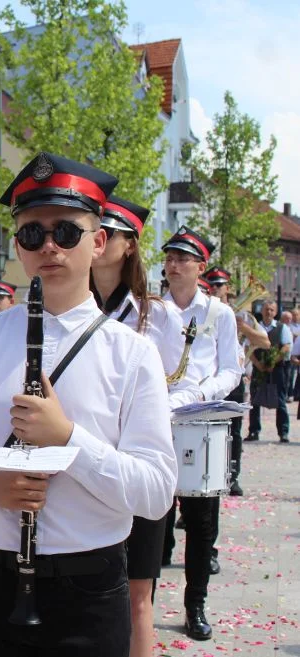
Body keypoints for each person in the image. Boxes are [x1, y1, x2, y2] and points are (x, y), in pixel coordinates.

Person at [0, 152, 176, 656]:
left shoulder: (133, 354)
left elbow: (156, 493)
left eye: (67, 232)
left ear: (98, 242)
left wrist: (69, 440)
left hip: (88, 589)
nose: (49, 246)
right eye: (33, 234)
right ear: (18, 247)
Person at [90, 195, 200, 657]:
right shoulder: (63, 306)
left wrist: (154, 411)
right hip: (85, 457)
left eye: (108, 234)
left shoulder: (158, 314)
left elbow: (187, 382)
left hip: (135, 459)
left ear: (129, 245)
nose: (97, 243)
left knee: (138, 593)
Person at [160, 226, 242, 641]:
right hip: (153, 416)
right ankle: (139, 605)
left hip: (197, 417)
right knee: (149, 518)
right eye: (169, 259)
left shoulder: (218, 314)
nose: (173, 265)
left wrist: (200, 391)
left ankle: (195, 605)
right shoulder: (151, 308)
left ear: (200, 267)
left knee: (201, 523)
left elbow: (232, 368)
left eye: (182, 260)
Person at [204, 266, 267, 496]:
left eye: (220, 285)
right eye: (212, 284)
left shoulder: (242, 315)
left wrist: (244, 328)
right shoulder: (205, 311)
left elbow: (265, 342)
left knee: (235, 431)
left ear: (228, 288)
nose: (215, 288)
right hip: (210, 379)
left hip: (234, 379)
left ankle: (232, 477)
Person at [246, 300, 292, 443]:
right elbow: (248, 348)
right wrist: (257, 363)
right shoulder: (255, 327)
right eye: (266, 309)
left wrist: (273, 361)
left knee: (281, 401)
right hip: (258, 368)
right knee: (255, 400)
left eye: (272, 310)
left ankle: (283, 433)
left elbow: (286, 347)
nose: (269, 312)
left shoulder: (282, 328)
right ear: (262, 310)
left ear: (275, 312)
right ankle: (254, 431)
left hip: (277, 369)